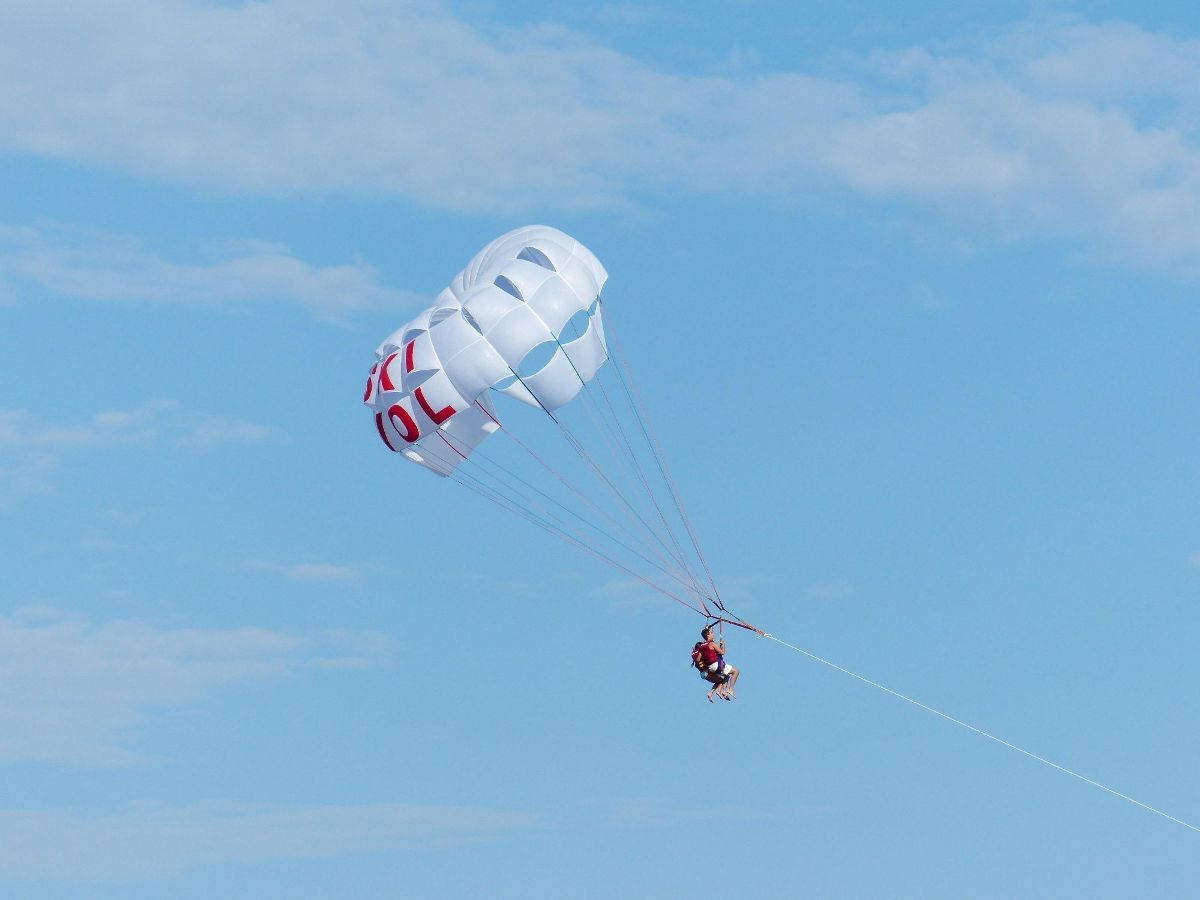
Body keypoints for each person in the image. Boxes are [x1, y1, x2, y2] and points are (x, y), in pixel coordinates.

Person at [692, 625, 740, 702]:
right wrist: (723, 644)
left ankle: (722, 691)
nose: (713, 634)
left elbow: (698, 659)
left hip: (710, 668)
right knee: (736, 671)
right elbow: (722, 652)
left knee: (725, 677)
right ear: (708, 635)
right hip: (716, 665)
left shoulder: (702, 646)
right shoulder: (712, 644)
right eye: (711, 633)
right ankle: (730, 689)